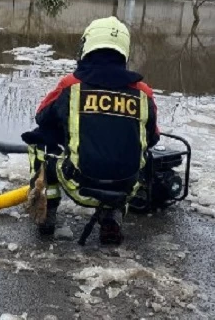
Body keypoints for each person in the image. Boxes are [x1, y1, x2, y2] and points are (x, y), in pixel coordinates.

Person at [24, 16, 159, 245]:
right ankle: (112, 217)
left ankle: (47, 211)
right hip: (126, 189)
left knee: (39, 142)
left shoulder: (70, 85)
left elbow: (42, 116)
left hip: (79, 186)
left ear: (87, 46)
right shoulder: (143, 93)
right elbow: (153, 138)